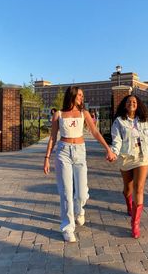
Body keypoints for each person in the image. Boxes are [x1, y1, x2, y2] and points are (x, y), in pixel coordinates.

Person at [44, 86, 116, 242]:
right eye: (79, 95)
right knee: (66, 192)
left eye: (83, 95)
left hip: (80, 151)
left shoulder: (84, 113)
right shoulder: (59, 115)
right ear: (72, 96)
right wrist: (47, 158)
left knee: (82, 192)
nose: (82, 98)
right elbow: (52, 137)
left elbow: (95, 132)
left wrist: (108, 149)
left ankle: (79, 208)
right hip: (63, 152)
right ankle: (68, 227)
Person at [110, 94, 148, 239]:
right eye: (129, 102)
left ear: (137, 104)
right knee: (128, 188)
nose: (131, 103)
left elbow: (147, 139)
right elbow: (117, 141)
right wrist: (113, 153)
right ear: (125, 105)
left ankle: (135, 224)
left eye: (134, 101)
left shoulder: (143, 120)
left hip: (142, 157)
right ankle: (129, 206)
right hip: (126, 158)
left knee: (138, 188)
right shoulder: (119, 122)